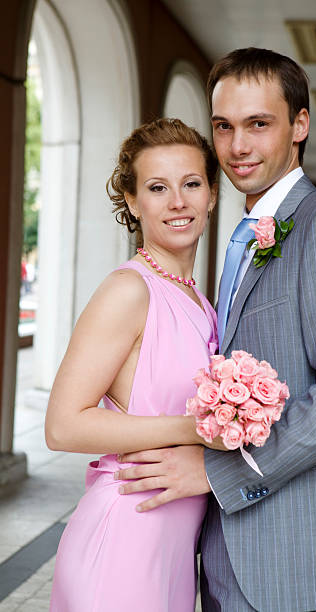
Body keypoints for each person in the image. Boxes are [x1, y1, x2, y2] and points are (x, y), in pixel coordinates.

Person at [115, 49, 316, 611]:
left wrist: (216, 468)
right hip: (228, 545)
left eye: (258, 124)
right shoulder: (247, 233)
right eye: (224, 126)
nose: (237, 146)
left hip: (292, 552)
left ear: (300, 125)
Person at [46, 118, 222, 611]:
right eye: (157, 188)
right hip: (124, 535)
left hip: (171, 550)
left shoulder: (201, 302)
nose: (178, 202)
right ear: (132, 201)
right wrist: (194, 429)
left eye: (191, 184)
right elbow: (63, 426)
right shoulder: (129, 291)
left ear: (211, 194)